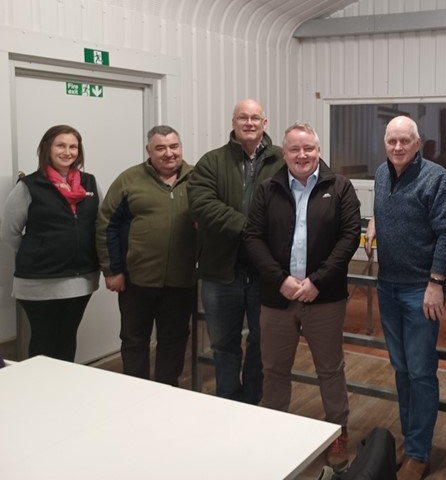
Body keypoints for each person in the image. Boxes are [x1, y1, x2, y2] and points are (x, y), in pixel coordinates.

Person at [244, 123, 361, 472]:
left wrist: (317, 282)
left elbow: (349, 237)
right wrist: (280, 280)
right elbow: (252, 237)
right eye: (295, 149)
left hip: (323, 298)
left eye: (308, 148)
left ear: (319, 149)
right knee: (274, 369)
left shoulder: (339, 187)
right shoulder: (268, 189)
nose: (302, 155)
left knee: (330, 369)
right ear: (284, 152)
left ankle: (338, 434)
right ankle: (276, 431)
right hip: (277, 297)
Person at [364, 115, 446, 480]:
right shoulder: (381, 173)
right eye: (392, 141)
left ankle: (419, 453)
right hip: (387, 286)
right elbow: (385, 209)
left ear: (418, 143)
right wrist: (375, 222)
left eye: (405, 141)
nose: (398, 147)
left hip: (422, 290)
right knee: (402, 369)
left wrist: (436, 281)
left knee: (420, 373)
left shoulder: (436, 179)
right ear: (385, 143)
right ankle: (409, 440)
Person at [188, 98, 284, 404]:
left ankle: (253, 403)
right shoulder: (211, 162)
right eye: (243, 117)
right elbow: (203, 204)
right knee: (223, 344)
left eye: (256, 118)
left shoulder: (283, 161)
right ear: (233, 123)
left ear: (265, 124)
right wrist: (249, 229)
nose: (249, 123)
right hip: (220, 272)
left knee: (262, 343)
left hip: (264, 273)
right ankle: (227, 403)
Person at [96, 125, 196, 386]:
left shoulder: (198, 178)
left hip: (182, 280)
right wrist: (112, 270)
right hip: (135, 280)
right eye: (160, 148)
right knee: (134, 340)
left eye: (174, 147)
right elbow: (106, 224)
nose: (168, 153)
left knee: (174, 340)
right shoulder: (129, 180)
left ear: (181, 148)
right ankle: (135, 389)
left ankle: (167, 390)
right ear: (148, 150)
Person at [0, 125, 100, 361]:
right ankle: (40, 392)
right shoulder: (30, 185)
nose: (67, 152)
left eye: (73, 146)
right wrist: (39, 252)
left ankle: (63, 392)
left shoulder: (89, 183)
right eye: (61, 145)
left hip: (81, 279)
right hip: (39, 282)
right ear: (47, 148)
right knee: (44, 340)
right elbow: (10, 231)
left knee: (67, 337)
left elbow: (99, 223)